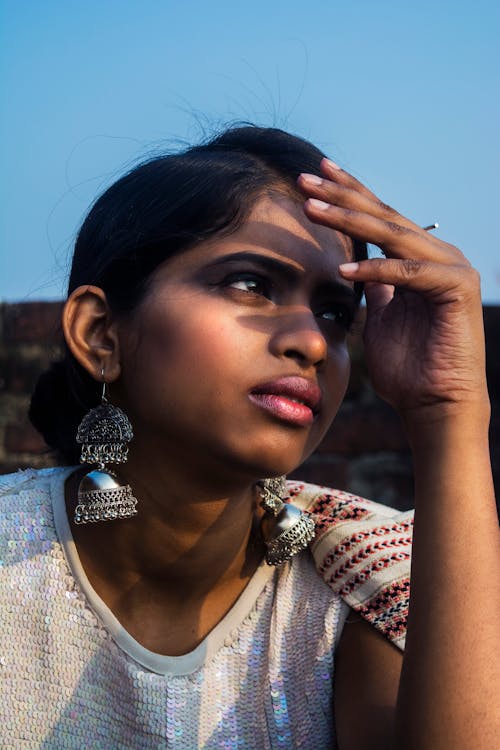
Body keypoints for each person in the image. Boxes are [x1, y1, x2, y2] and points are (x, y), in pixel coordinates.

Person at [0, 126, 498, 749]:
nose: (313, 342)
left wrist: (448, 410)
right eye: (251, 284)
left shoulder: (364, 576)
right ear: (101, 334)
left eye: (335, 312)